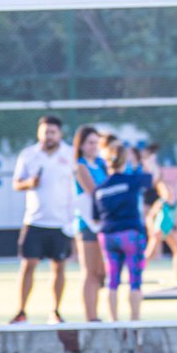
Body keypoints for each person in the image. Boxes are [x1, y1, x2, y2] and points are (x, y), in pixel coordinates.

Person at [11, 114, 76, 324]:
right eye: (45, 132)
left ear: (60, 133)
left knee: (59, 267)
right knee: (28, 265)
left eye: (53, 132)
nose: (49, 136)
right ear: (39, 133)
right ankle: (21, 311)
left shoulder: (70, 154)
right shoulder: (29, 155)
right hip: (34, 220)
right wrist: (29, 183)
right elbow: (17, 184)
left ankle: (55, 311)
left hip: (61, 222)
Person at [94, 142, 160, 320]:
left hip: (107, 235)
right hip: (130, 234)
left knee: (112, 280)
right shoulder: (131, 180)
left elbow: (96, 216)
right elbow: (152, 178)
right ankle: (134, 323)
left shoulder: (100, 189)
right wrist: (147, 161)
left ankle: (114, 322)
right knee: (135, 280)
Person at [72, 125, 108, 321]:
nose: (94, 146)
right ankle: (90, 317)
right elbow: (94, 192)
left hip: (103, 223)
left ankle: (96, 312)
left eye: (96, 142)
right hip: (88, 223)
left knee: (102, 272)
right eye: (90, 143)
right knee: (90, 272)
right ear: (82, 145)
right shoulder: (80, 165)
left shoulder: (102, 164)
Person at [143, 145, 177, 279]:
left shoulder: (175, 203)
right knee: (150, 252)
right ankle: (140, 272)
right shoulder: (161, 203)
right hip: (159, 228)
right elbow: (150, 216)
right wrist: (151, 229)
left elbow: (176, 218)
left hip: (169, 229)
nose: (170, 191)